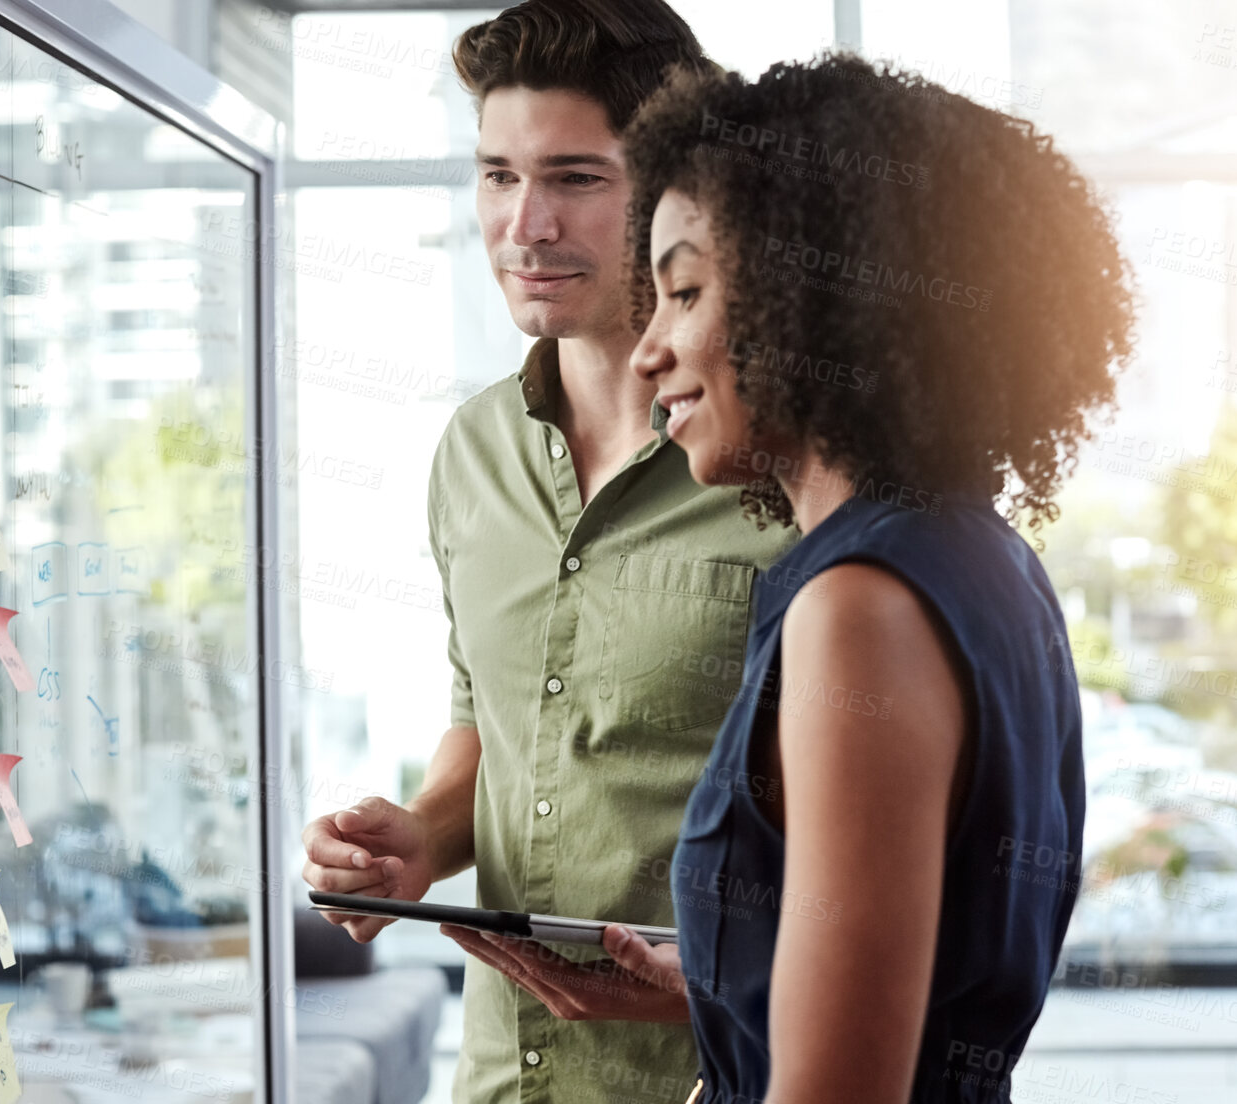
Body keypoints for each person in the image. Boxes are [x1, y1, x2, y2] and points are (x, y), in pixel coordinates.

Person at [468, 52, 1138, 1101]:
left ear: (811, 300)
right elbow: (919, 986)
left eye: (684, 291)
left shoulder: (857, 609)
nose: (648, 352)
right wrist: (715, 985)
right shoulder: (974, 558)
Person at [297, 4, 797, 1102]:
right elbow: (493, 726)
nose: (524, 224)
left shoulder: (785, 466)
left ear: (679, 193)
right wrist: (415, 842)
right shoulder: (471, 451)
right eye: (496, 176)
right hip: (498, 1081)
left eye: (575, 178)